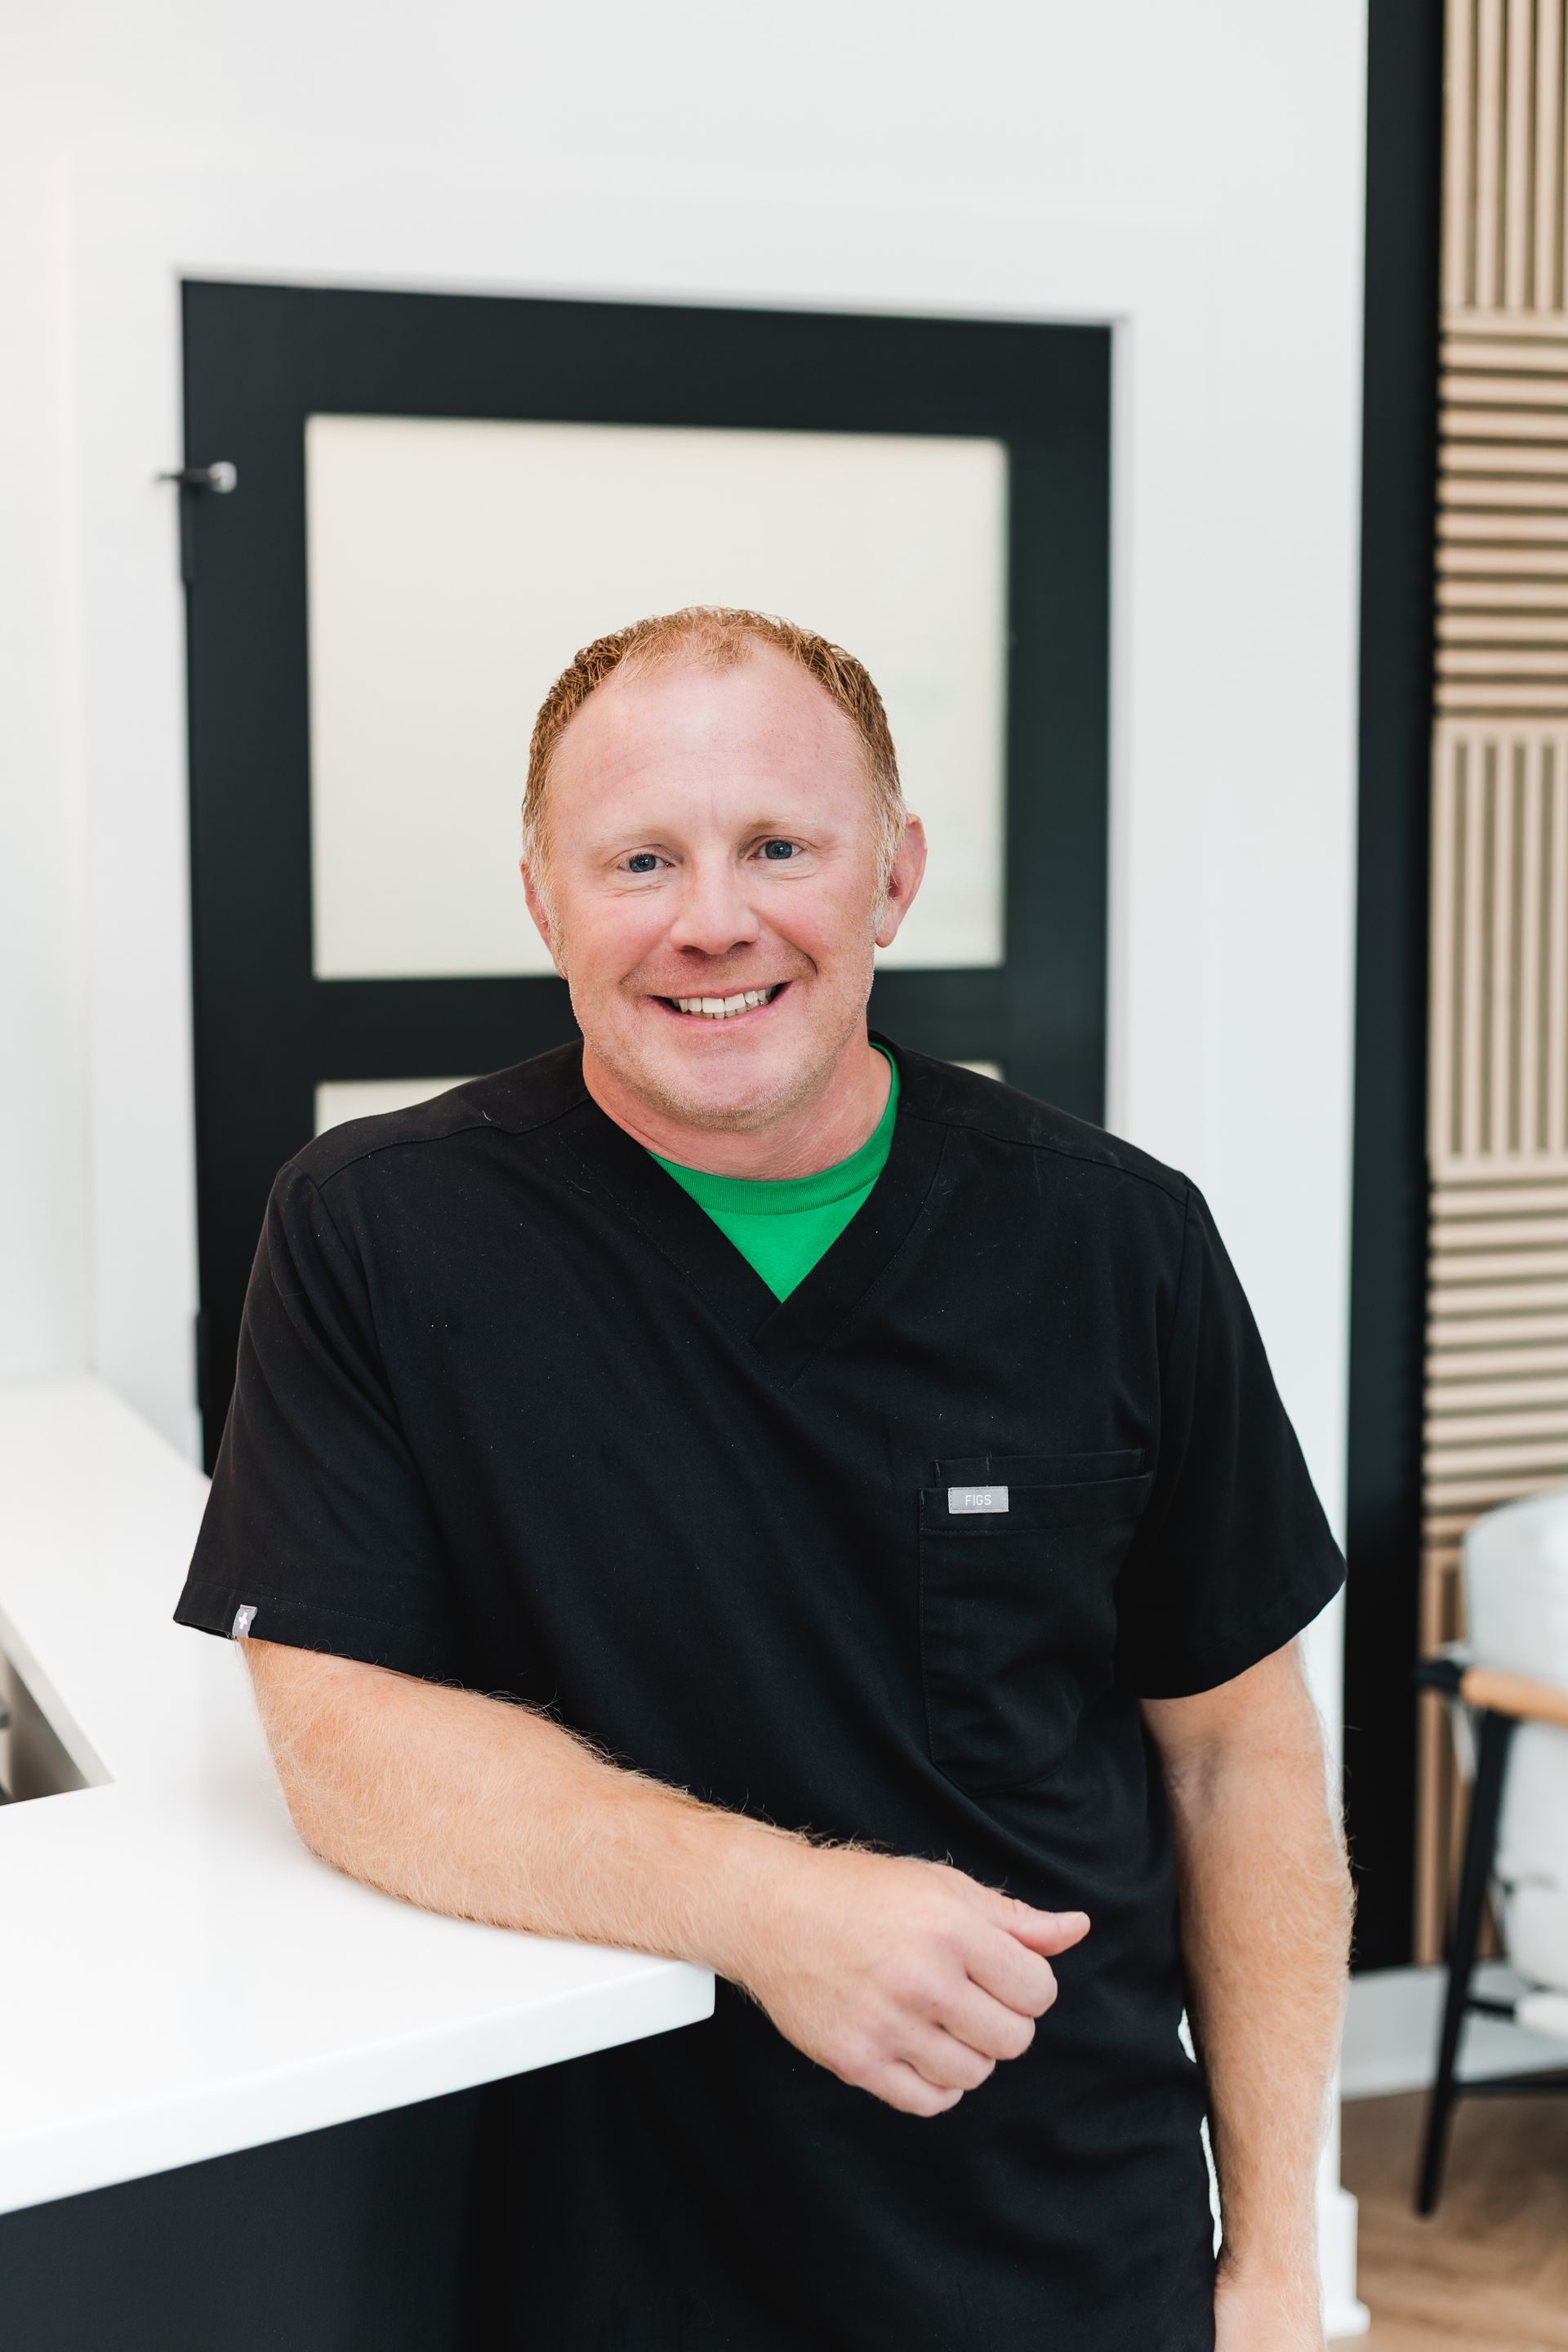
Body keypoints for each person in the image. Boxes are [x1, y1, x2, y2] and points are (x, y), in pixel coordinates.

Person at [175, 605, 1352, 2350]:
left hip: (1055, 2240)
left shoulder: (1119, 1239)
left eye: (779, 847)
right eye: (641, 856)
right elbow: (347, 1739)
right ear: (543, 900)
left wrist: (1269, 2266)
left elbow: (1236, 1763)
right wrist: (778, 1909)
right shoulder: (377, 1230)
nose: (710, 918)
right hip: (593, 2252)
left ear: (892, 879)